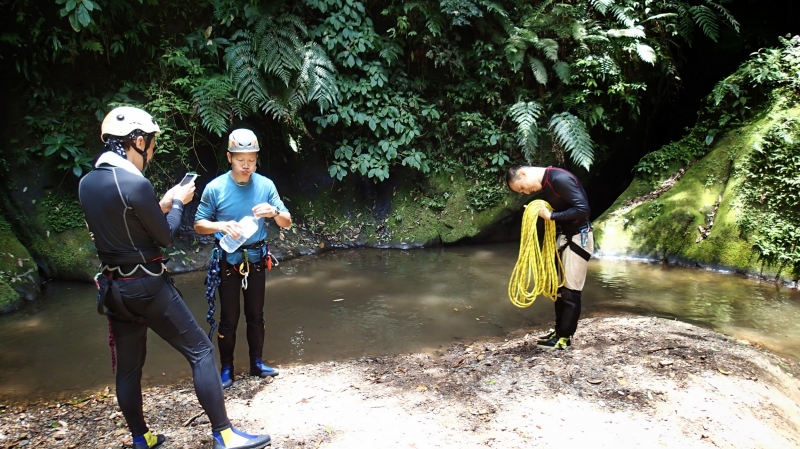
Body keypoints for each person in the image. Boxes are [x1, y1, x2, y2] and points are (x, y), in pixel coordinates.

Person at [79, 107, 272, 449]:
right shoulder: (136, 184)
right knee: (200, 351)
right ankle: (225, 435)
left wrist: (161, 204)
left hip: (113, 289)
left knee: (128, 368)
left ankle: (142, 438)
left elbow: (126, 226)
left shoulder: (87, 184)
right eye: (150, 145)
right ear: (137, 141)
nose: (150, 152)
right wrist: (179, 202)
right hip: (147, 287)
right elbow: (164, 237)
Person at [194, 128, 291, 388]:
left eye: (251, 160)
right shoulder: (215, 188)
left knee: (256, 314)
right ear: (229, 157)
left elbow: (287, 222)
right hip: (228, 259)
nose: (246, 165)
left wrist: (273, 212)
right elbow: (199, 224)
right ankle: (227, 369)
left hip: (257, 257)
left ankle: (256, 364)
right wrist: (221, 226)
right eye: (240, 160)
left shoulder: (266, 185)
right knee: (229, 317)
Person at [506, 165, 594, 350]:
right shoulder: (548, 183)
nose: (525, 192)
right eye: (521, 192)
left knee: (571, 291)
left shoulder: (559, 179)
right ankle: (559, 331)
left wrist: (551, 215)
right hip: (564, 237)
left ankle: (565, 338)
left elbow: (583, 209)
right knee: (559, 290)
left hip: (579, 237)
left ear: (522, 173)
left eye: (521, 188)